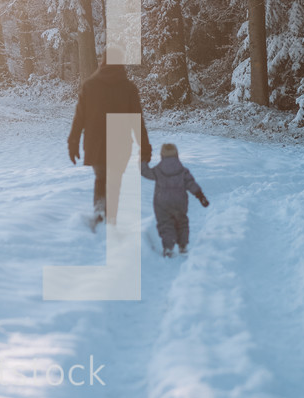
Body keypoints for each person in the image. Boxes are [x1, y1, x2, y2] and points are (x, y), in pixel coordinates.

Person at [68, 49, 152, 225]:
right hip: (120, 145)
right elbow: (138, 123)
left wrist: (73, 142)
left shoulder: (89, 86)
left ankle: (100, 211)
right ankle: (111, 217)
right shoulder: (129, 88)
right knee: (115, 179)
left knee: (100, 178)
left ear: (103, 62)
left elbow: (79, 117)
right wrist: (145, 149)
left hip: (95, 144)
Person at [141, 142, 209, 257]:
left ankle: (168, 247)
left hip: (162, 202)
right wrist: (200, 196)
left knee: (165, 223)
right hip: (180, 202)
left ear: (162, 155)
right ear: (177, 154)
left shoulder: (158, 170)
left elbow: (146, 172)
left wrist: (143, 160)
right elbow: (191, 184)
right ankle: (183, 246)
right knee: (182, 222)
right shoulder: (183, 170)